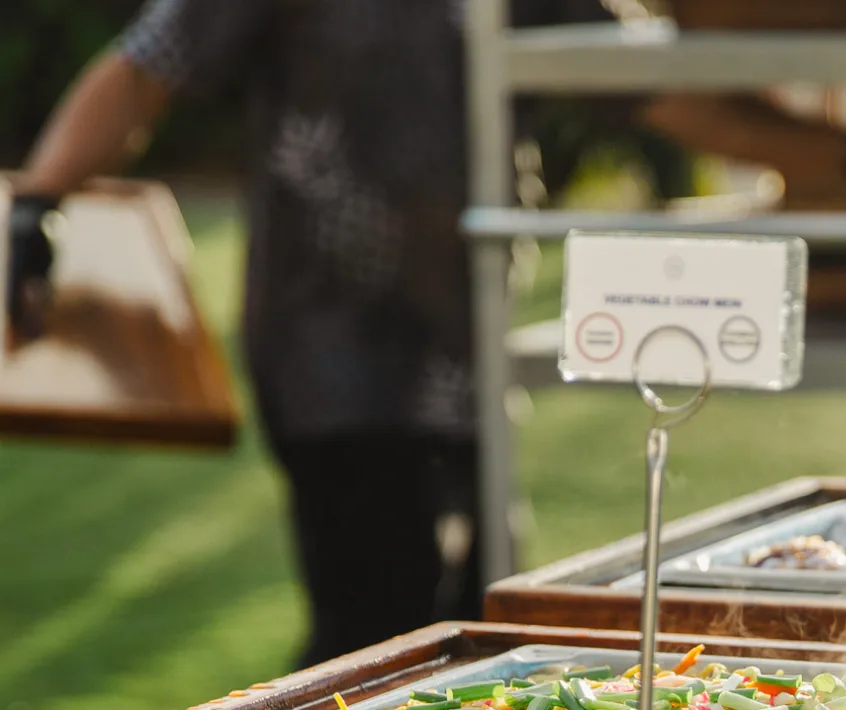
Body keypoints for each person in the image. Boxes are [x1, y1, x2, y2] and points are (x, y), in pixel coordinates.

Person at [10, 0, 499, 669]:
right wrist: (40, 197)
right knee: (379, 637)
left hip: (476, 357)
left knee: (479, 631)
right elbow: (150, 65)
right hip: (334, 359)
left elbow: (643, 82)